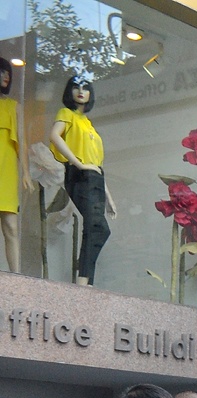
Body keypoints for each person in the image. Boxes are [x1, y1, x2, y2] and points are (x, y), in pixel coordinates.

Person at [49, 76, 114, 286]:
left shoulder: (89, 125)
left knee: (98, 229)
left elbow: (97, 163)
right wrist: (77, 163)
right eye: (76, 87)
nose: (81, 91)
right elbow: (55, 136)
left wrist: (108, 198)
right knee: (96, 227)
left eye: (85, 88)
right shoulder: (66, 114)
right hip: (81, 176)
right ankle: (83, 281)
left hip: (95, 178)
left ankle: (85, 280)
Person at [0, 63, 34, 273]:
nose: (5, 76)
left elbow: (22, 141)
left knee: (11, 226)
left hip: (7, 171)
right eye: (1, 72)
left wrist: (26, 173)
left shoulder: (13, 106)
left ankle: (16, 276)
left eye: (7, 73)